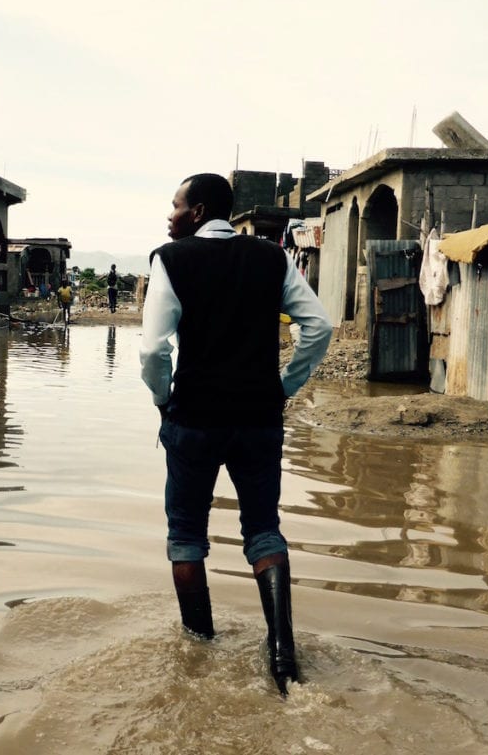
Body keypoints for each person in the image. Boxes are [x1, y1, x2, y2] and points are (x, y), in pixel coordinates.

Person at [140, 173, 331, 696]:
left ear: (197, 211)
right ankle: (281, 655)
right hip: (258, 419)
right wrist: (284, 386)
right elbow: (318, 326)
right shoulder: (271, 256)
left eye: (175, 205)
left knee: (185, 537)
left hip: (194, 420)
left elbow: (154, 350)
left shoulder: (170, 259)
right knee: (264, 531)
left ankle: (199, 652)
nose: (170, 215)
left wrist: (163, 399)